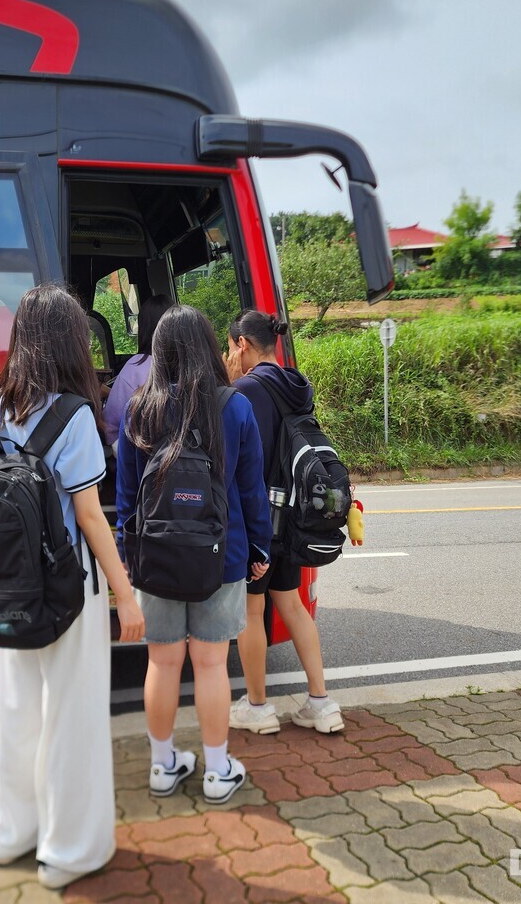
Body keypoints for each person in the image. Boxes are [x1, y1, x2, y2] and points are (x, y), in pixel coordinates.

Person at [0, 284, 145, 891]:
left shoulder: (1, 404)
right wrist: (124, 593)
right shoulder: (74, 414)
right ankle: (69, 850)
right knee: (72, 714)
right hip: (69, 584)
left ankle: (13, 832)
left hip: (12, 578)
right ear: (70, 341)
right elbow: (89, 515)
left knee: (19, 708)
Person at [116, 304, 271, 804]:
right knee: (209, 666)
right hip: (220, 556)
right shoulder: (235, 407)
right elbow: (252, 491)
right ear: (208, 346)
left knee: (161, 665)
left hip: (155, 559)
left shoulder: (140, 407)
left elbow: (125, 497)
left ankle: (163, 767)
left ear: (159, 353)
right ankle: (217, 769)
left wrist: (127, 556)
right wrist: (259, 550)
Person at [225, 309, 344, 735]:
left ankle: (258, 707)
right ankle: (321, 703)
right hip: (295, 514)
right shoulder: (298, 384)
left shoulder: (246, 391)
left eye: (229, 347)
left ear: (242, 344)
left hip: (262, 519)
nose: (226, 356)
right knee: (292, 605)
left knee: (251, 611)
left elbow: (244, 465)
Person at [101, 293, 173, 443]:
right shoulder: (188, 365)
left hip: (140, 455)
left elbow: (110, 426)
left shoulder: (135, 366)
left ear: (143, 328)